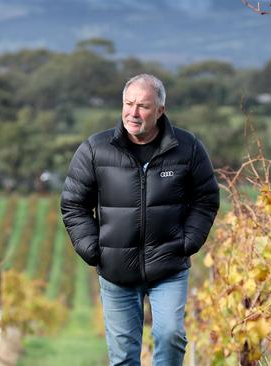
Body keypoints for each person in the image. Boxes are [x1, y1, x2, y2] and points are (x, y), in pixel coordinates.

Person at [61, 74, 219, 365]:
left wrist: (188, 242)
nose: (133, 113)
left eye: (143, 106)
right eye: (128, 104)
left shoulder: (188, 148)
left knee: (171, 336)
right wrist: (93, 250)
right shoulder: (96, 149)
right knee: (123, 356)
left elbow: (206, 199)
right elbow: (73, 204)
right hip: (115, 270)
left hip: (169, 266)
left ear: (161, 110)